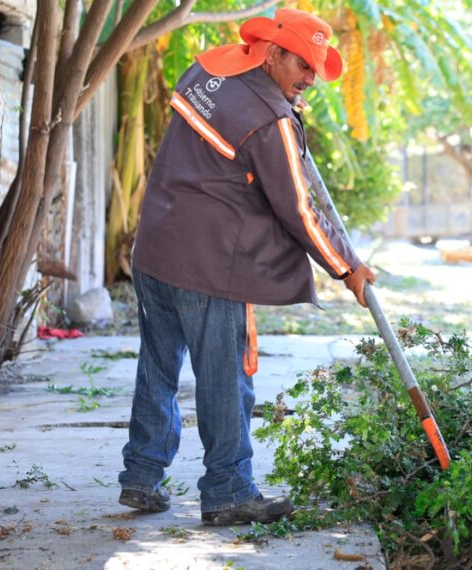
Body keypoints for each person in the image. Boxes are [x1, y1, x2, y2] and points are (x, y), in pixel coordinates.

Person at [118, 9, 376, 526]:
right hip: (207, 265)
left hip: (155, 247)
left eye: (316, 69)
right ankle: (229, 490)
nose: (309, 78)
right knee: (225, 378)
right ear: (274, 52)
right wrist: (346, 268)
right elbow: (299, 209)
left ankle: (142, 478)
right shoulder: (270, 119)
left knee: (158, 368)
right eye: (302, 65)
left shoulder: (208, 70)